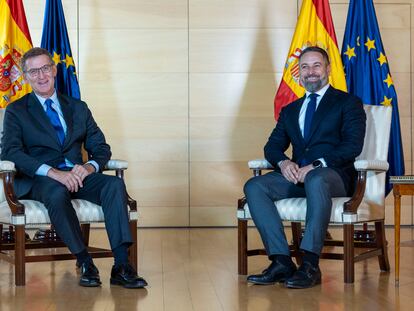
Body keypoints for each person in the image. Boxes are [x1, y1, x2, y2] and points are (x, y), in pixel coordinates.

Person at [1, 47, 147, 289]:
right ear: (26, 77)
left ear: (54, 70)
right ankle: (85, 262)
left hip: (78, 176)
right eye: (33, 71)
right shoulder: (17, 110)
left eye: (45, 68)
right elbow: (10, 152)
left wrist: (88, 167)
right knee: (56, 192)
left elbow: (101, 147)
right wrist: (53, 172)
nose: (41, 75)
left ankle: (121, 265)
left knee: (114, 185)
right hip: (40, 179)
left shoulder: (78, 107)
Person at [244, 46, 366, 289]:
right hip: (297, 177)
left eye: (316, 65)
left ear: (328, 69)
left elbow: (352, 146)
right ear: (298, 72)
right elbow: (272, 147)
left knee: (316, 178)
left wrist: (317, 165)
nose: (310, 72)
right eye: (305, 67)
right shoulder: (290, 110)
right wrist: (283, 162)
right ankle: (281, 261)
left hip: (334, 177)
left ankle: (310, 264)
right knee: (255, 186)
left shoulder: (347, 102)